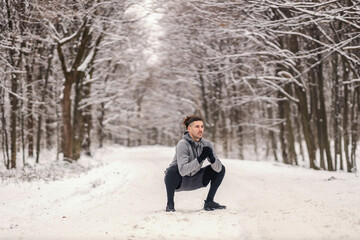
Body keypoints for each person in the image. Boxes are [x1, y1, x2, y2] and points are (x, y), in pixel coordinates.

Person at [164, 115, 226, 212]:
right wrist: (200, 158)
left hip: (197, 179)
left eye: (202, 126)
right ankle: (170, 204)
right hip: (180, 181)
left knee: (221, 168)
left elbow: (218, 169)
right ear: (189, 128)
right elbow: (183, 171)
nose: (200, 129)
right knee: (172, 170)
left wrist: (212, 159)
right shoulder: (182, 144)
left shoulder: (207, 144)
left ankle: (209, 202)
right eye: (197, 127)